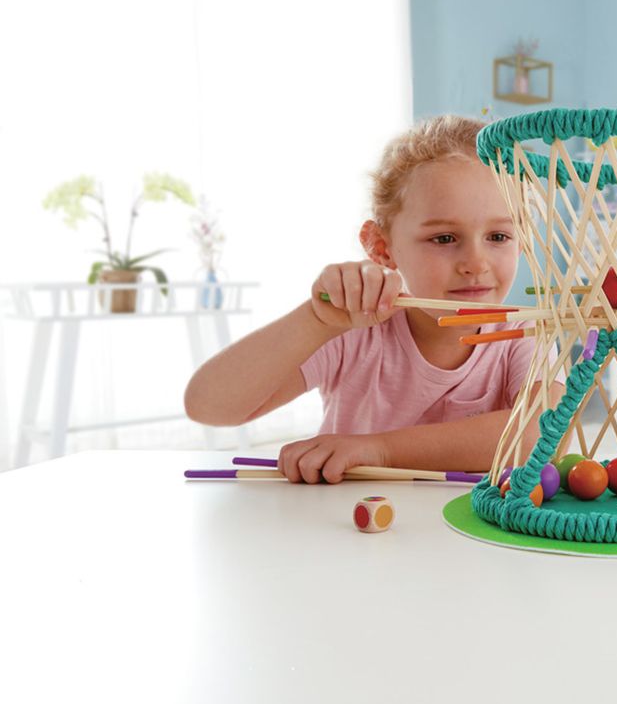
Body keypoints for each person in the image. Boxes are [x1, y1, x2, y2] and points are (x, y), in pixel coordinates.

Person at [184, 115, 533, 482]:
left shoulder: (526, 333)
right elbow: (209, 406)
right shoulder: (354, 327)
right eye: (444, 238)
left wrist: (378, 449)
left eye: (498, 236)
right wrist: (315, 321)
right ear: (381, 247)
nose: (476, 264)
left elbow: (538, 436)